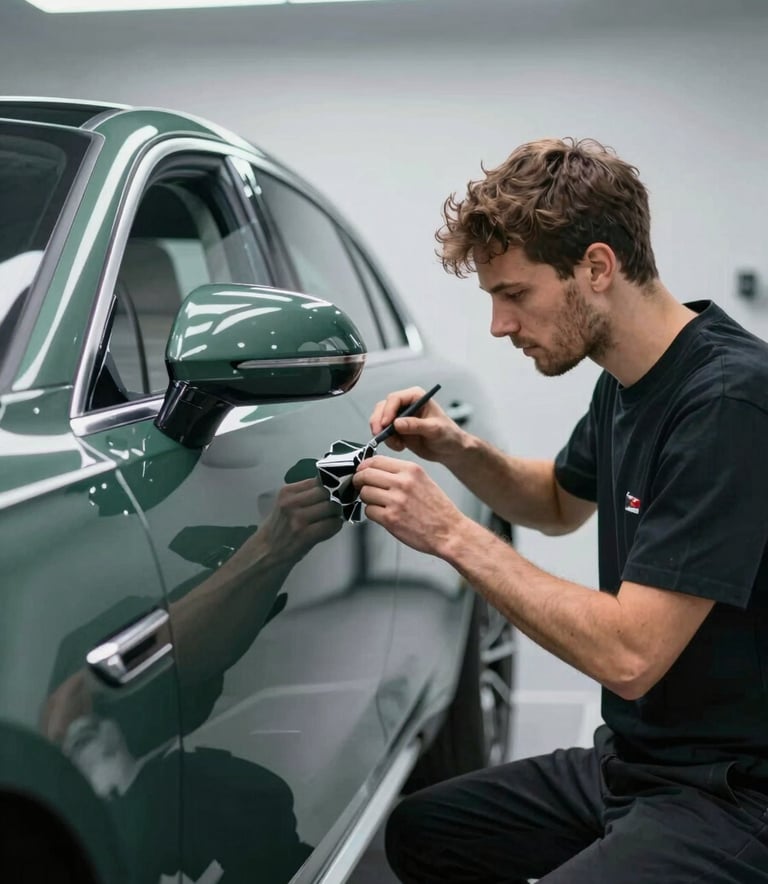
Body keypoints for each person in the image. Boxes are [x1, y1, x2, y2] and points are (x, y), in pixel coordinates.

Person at [352, 138, 768, 883]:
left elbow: (630, 657)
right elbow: (554, 503)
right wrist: (456, 449)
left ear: (597, 269)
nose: (499, 326)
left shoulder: (728, 403)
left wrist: (452, 534)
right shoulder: (627, 379)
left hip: (734, 792)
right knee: (425, 833)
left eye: (514, 294)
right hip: (637, 764)